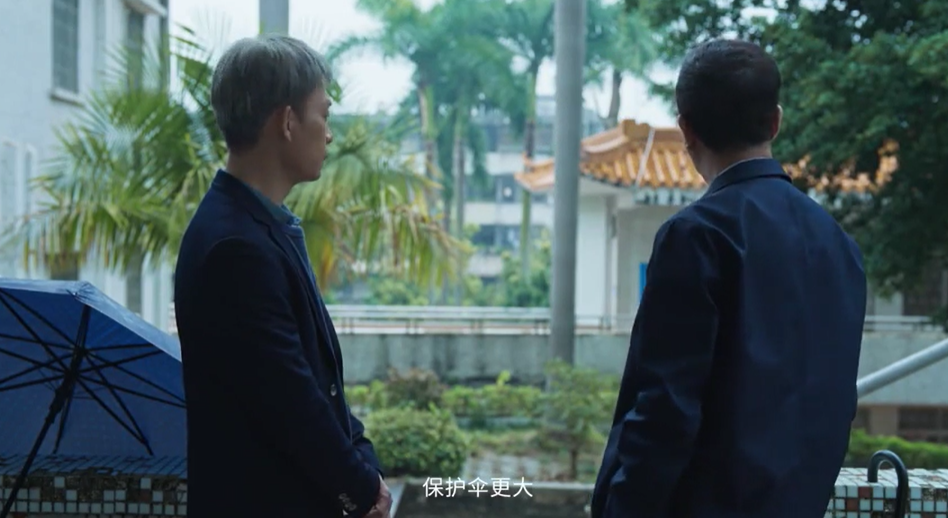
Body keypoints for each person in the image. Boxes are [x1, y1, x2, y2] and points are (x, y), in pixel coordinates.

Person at [590, 39, 866, 518]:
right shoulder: (838, 244)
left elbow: (665, 410)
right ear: (775, 121)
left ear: (686, 130)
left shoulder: (697, 236)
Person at [174, 35, 391, 518]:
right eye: (324, 115)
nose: (329, 134)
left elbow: (318, 386)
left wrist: (365, 462)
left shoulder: (258, 227)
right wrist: (361, 488)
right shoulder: (235, 248)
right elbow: (291, 403)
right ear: (288, 122)